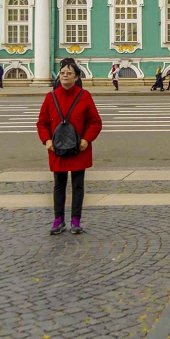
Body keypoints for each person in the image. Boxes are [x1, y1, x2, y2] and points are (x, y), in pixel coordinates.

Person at [37, 57, 103, 236]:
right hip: (57, 148)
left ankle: (75, 220)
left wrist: (86, 140)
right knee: (59, 185)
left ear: (76, 77)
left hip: (79, 149)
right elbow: (42, 123)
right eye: (63, 73)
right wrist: (47, 141)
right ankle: (58, 220)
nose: (65, 75)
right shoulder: (51, 97)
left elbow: (95, 122)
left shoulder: (84, 96)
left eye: (69, 73)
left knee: (78, 186)